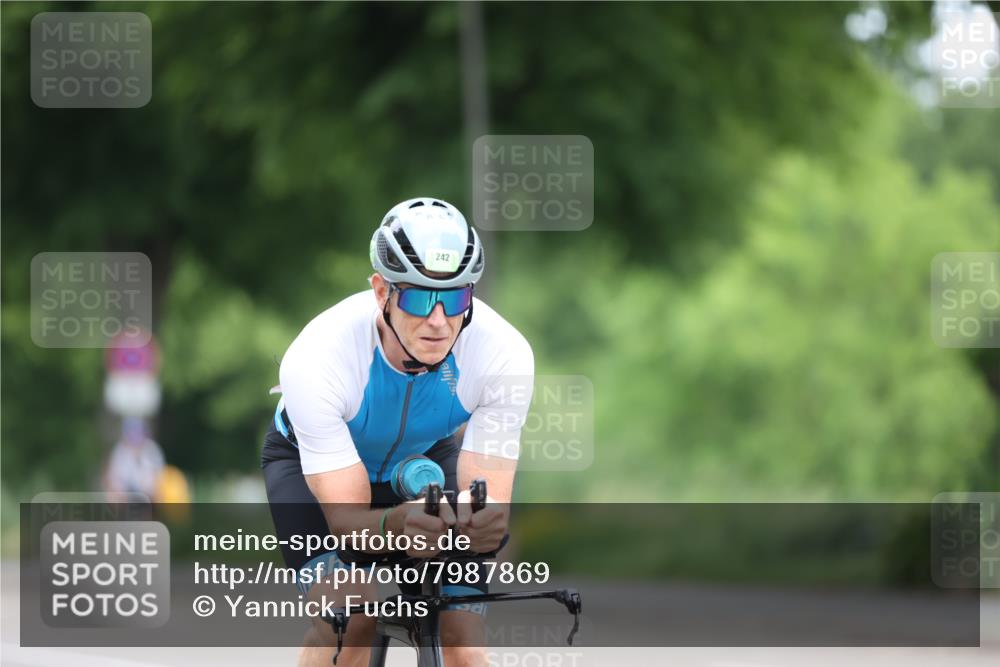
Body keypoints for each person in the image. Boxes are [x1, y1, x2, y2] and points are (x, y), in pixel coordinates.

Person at [262, 197, 534, 667]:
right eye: (417, 296)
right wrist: (396, 524)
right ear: (381, 291)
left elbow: (487, 503)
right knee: (350, 621)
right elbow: (345, 524)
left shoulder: (504, 354)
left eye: (453, 299)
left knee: (463, 635)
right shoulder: (318, 357)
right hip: (309, 471)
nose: (438, 320)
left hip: (424, 458)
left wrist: (485, 524)